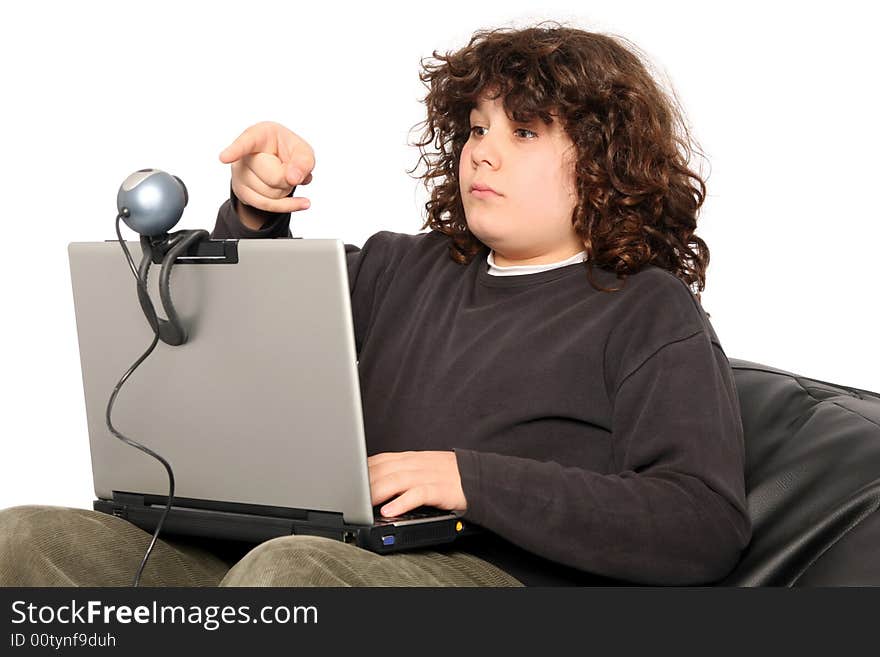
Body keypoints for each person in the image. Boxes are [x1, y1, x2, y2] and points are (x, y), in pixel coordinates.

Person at [0, 21, 751, 587]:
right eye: (478, 128)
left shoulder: (648, 311)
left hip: (486, 575)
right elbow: (255, 329)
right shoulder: (400, 265)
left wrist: (469, 481)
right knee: (25, 540)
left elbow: (703, 520)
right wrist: (258, 216)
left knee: (292, 576)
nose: (482, 151)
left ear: (609, 162)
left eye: (523, 132)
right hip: (313, 552)